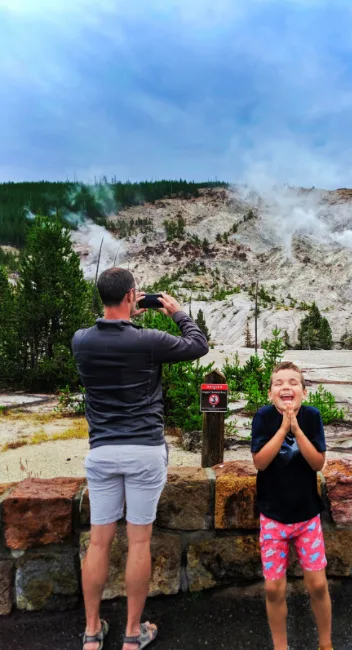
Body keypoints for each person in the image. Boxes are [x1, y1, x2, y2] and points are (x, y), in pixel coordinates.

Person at [72, 267, 209, 650]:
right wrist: (177, 312)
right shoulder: (148, 340)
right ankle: (133, 634)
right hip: (145, 450)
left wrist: (127, 311)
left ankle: (92, 631)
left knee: (98, 543)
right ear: (133, 295)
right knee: (138, 542)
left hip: (102, 451)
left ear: (103, 297)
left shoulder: (81, 340)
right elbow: (198, 345)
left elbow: (109, 334)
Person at [251, 361, 333, 650]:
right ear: (271, 393)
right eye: (279, 383)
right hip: (272, 518)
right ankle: (281, 646)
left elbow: (317, 462)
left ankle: (325, 644)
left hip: (307, 516)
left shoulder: (312, 417)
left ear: (304, 392)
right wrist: (283, 426)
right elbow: (260, 462)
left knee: (319, 585)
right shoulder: (262, 417)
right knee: (274, 588)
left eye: (293, 382)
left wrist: (296, 430)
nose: (286, 386)